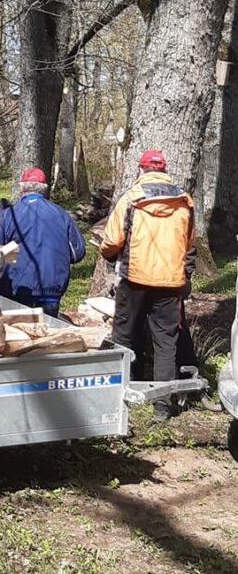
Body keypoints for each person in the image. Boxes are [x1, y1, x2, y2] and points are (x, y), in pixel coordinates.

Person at [99, 149, 195, 422]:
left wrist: (108, 254)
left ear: (141, 170)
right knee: (165, 343)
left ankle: (120, 397)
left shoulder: (131, 198)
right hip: (170, 283)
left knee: (124, 337)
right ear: (164, 171)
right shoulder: (184, 202)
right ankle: (162, 407)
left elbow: (112, 241)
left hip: (135, 279)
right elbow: (189, 243)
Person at [0, 167, 86, 317]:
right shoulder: (61, 215)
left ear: (21, 188)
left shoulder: (9, 215)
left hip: (16, 288)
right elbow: (77, 252)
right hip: (50, 290)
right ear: (44, 189)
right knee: (47, 329)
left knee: (15, 330)